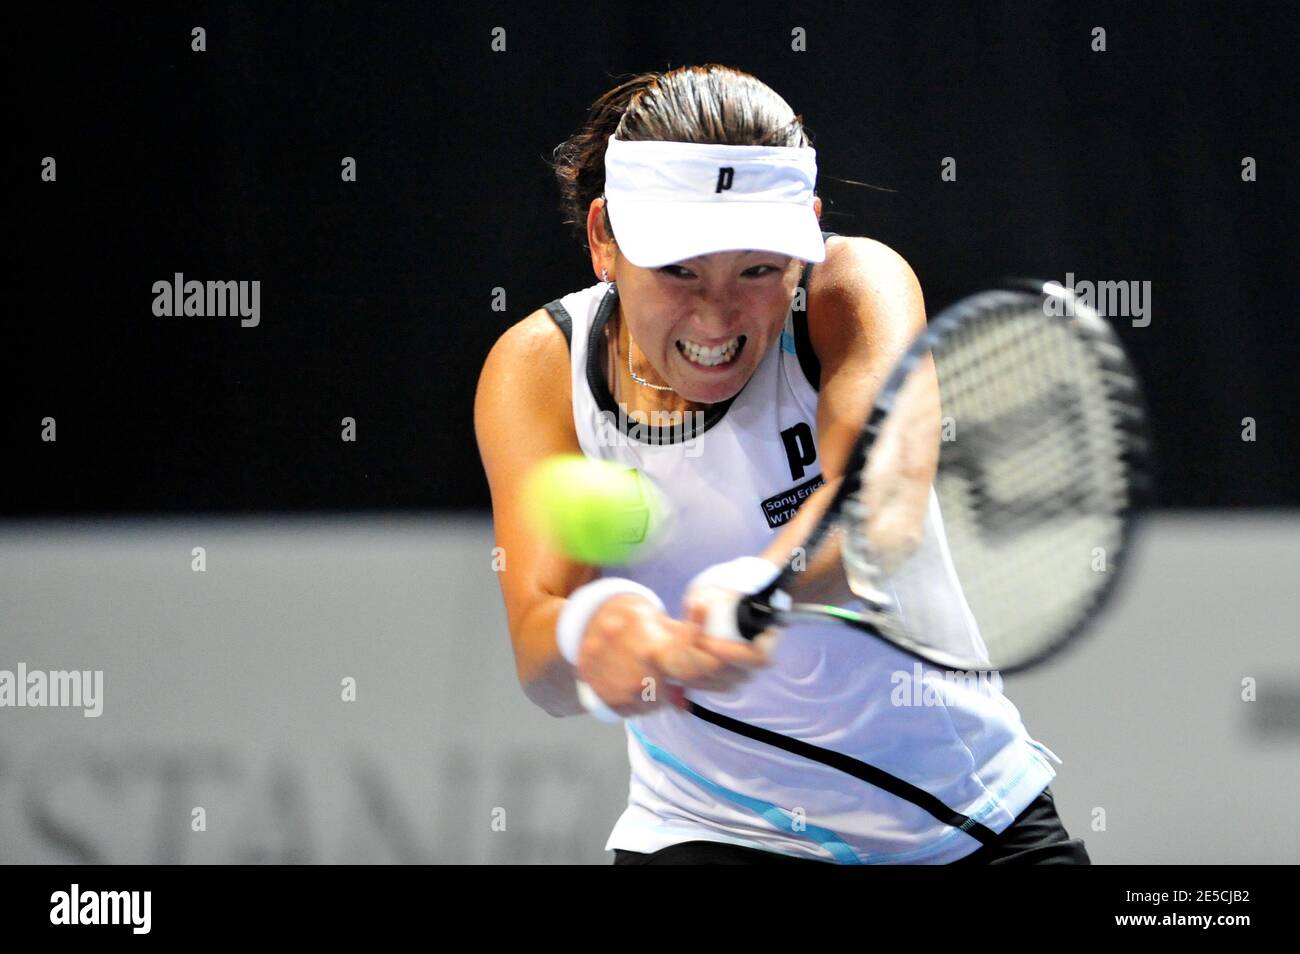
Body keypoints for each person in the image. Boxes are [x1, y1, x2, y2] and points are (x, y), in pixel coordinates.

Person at [474, 64, 1089, 865]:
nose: (718, 316)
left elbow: (881, 506)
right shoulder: (537, 369)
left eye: (759, 269)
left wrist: (764, 584)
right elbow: (541, 658)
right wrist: (598, 637)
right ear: (602, 238)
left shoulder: (853, 288)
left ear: (806, 236)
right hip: (709, 831)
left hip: (964, 824)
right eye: (679, 270)